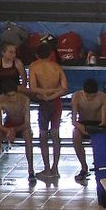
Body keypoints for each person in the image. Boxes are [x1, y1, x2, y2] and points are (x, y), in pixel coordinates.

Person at [27, 43, 69, 181]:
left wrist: (45, 95)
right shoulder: (56, 67)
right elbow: (64, 88)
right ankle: (55, 168)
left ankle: (47, 168)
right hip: (56, 102)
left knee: (43, 135)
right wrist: (53, 94)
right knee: (56, 134)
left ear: (37, 55)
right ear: (51, 54)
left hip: (44, 102)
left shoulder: (34, 66)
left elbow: (33, 88)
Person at [0, 73, 34, 182]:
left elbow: (27, 122)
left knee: (28, 135)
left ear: (17, 92)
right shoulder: (0, 100)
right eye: (9, 96)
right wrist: (8, 130)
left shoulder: (24, 99)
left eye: (13, 95)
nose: (11, 99)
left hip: (22, 125)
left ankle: (31, 170)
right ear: (4, 95)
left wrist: (14, 130)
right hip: (9, 124)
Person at [70, 78, 106, 184]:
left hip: (97, 124)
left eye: (92, 96)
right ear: (83, 91)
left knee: (101, 137)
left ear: (96, 93)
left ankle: (100, 165)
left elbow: (103, 121)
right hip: (82, 122)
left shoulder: (103, 97)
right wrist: (81, 128)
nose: (89, 99)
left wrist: (96, 130)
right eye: (87, 96)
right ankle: (84, 167)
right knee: (75, 135)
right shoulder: (77, 96)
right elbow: (74, 121)